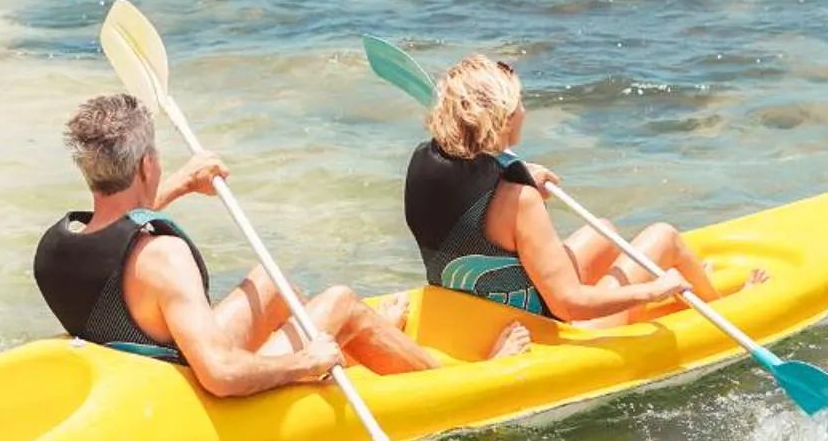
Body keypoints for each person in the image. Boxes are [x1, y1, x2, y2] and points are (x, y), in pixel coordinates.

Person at [37, 93, 526, 397]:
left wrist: (181, 185)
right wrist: (303, 363)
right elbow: (221, 374)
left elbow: (117, 231)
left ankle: (363, 344)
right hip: (196, 393)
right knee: (341, 302)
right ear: (147, 165)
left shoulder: (60, 246)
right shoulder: (163, 258)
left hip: (153, 368)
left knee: (270, 284)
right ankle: (463, 381)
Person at [405, 55, 740, 326]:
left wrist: (516, 173)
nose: (525, 111)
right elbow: (568, 305)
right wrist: (654, 290)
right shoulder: (519, 200)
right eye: (519, 104)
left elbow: (473, 203)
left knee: (604, 232)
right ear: (503, 119)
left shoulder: (424, 162)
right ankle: (724, 312)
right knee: (664, 237)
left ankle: (680, 286)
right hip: (549, 327)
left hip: (478, 311)